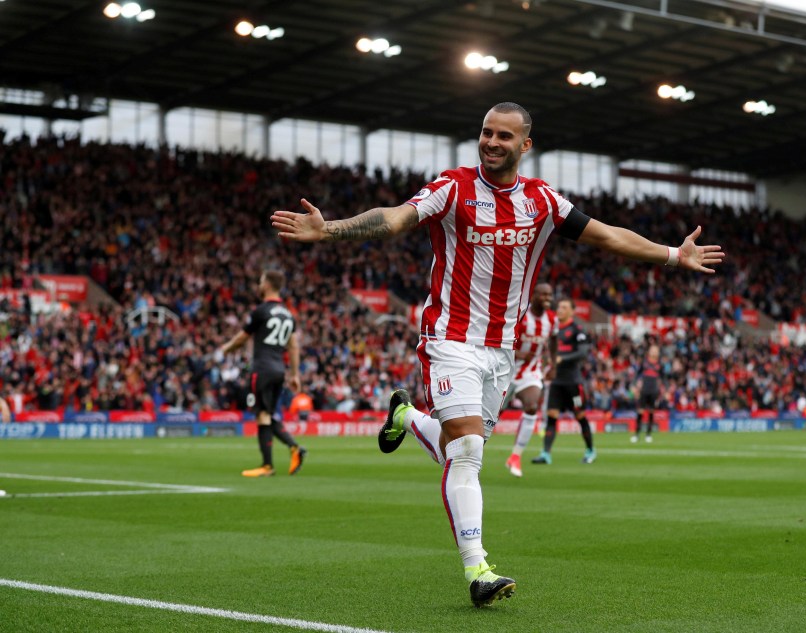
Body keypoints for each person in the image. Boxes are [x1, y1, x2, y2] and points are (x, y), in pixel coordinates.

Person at [270, 102, 724, 607]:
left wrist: (671, 255)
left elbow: (606, 235)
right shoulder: (453, 186)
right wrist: (329, 229)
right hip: (449, 338)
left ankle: (405, 415)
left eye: (504, 136)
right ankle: (478, 569)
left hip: (501, 351)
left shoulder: (543, 201)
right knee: (466, 451)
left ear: (524, 145)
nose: (491, 142)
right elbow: (396, 220)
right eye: (486, 132)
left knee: (458, 449)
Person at [218, 270, 307, 478]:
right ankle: (292, 450)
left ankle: (270, 464)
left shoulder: (261, 311)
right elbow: (293, 347)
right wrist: (295, 374)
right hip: (279, 370)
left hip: (263, 368)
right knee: (267, 414)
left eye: (260, 281)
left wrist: (226, 348)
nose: (259, 285)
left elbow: (242, 338)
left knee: (262, 415)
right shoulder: (287, 314)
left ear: (267, 284)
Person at [532, 297, 596, 465]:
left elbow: (582, 353)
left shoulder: (578, 330)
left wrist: (562, 359)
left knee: (580, 416)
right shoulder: (553, 330)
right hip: (557, 382)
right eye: (559, 307)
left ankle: (590, 450)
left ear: (572, 311)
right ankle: (546, 454)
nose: (560, 310)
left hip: (574, 383)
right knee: (551, 416)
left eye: (564, 307)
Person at [503, 282, 555, 477]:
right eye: (543, 294)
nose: (547, 298)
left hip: (530, 372)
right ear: (533, 297)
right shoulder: (521, 315)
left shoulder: (551, 319)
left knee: (532, 406)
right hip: (505, 370)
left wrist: (552, 365)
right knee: (490, 415)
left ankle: (515, 456)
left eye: (549, 295)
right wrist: (515, 352)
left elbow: (553, 340)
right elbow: (502, 336)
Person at [632, 342, 663, 444]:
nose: (654, 351)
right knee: (640, 412)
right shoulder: (644, 362)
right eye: (652, 349)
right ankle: (636, 434)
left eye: (655, 350)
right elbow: (637, 374)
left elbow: (664, 378)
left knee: (651, 412)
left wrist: (665, 389)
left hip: (653, 391)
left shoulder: (659, 364)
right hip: (644, 390)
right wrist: (634, 385)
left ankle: (648, 434)